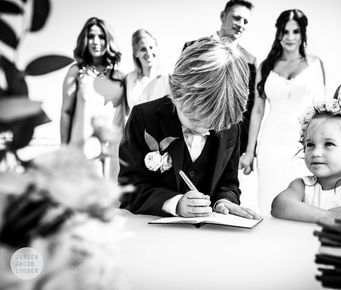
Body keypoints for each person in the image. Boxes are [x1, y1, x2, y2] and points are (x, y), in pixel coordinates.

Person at [118, 38, 260, 219]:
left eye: (214, 124)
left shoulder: (230, 126)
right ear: (178, 92)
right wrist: (174, 203)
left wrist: (224, 201)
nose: (204, 129)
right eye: (196, 119)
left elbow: (228, 183)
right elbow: (128, 190)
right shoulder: (144, 118)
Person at [239, 9, 326, 215]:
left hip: (303, 142)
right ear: (278, 33)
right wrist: (250, 151)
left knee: (305, 201)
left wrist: (321, 145)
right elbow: (258, 110)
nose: (289, 37)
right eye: (285, 32)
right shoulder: (266, 66)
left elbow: (321, 108)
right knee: (269, 198)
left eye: (295, 32)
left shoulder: (315, 64)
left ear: (303, 34)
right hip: (271, 144)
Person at [182, 0, 257, 154]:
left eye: (246, 21)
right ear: (223, 16)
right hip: (190, 133)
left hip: (226, 141)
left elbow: (247, 107)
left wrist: (243, 150)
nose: (241, 24)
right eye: (236, 18)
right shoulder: (192, 47)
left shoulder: (249, 60)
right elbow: (180, 90)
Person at [60, 17, 125, 179]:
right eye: (91, 36)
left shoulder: (120, 77)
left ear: (108, 40)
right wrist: (64, 150)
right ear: (85, 40)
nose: (96, 42)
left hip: (113, 154)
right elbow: (66, 112)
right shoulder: (76, 71)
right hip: (82, 151)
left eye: (101, 37)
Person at [125, 29, 170, 112]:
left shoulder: (168, 78)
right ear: (135, 53)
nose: (149, 53)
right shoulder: (129, 79)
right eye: (143, 49)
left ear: (156, 48)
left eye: (151, 47)